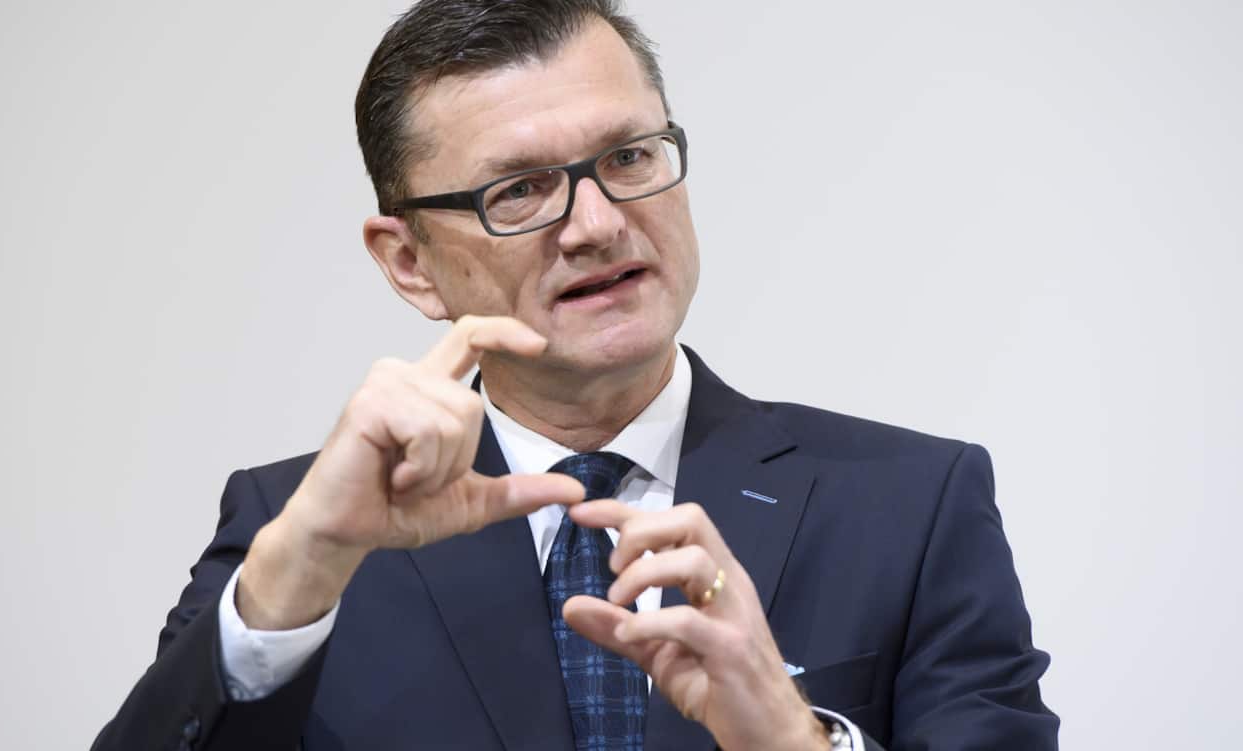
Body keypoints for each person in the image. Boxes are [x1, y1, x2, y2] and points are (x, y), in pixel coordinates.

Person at [93, 1, 1058, 749]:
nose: (597, 224)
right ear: (410, 262)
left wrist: (791, 738)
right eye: (519, 189)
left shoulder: (912, 503)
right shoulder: (298, 532)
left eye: (628, 157)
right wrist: (304, 565)